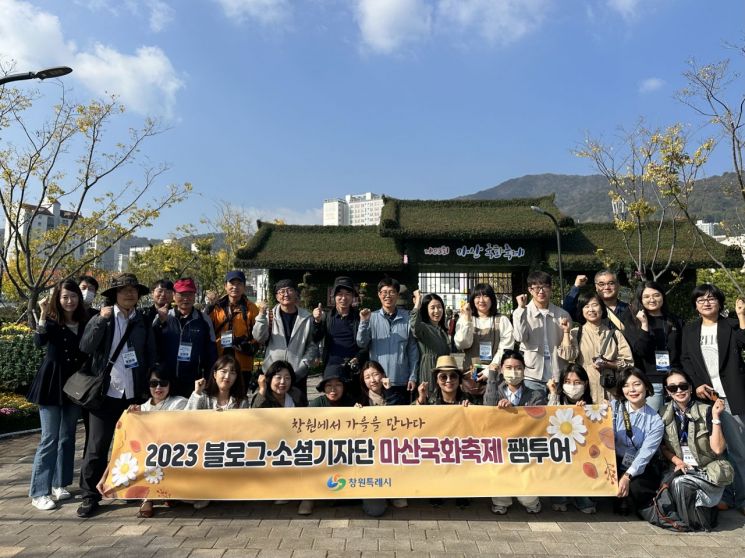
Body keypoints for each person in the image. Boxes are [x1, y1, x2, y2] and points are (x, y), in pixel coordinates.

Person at [76, 273, 156, 518]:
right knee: (97, 447)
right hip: (105, 393)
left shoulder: (142, 320)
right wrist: (100, 321)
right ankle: (89, 496)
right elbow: (85, 347)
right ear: (114, 295)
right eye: (124, 290)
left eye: (133, 290)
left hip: (132, 395)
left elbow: (149, 353)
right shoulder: (104, 317)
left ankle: (127, 488)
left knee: (133, 447)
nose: (130, 293)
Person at [681, 283, 745, 513]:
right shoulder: (690, 330)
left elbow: (743, 342)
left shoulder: (731, 325)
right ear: (695, 306)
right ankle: (725, 496)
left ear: (719, 302)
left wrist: (741, 316)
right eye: (701, 300)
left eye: (711, 298)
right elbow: (685, 359)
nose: (706, 303)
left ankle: (743, 499)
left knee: (738, 451)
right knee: (716, 451)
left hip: (730, 397)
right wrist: (697, 384)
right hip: (706, 398)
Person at [26, 279, 89, 511]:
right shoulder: (51, 321)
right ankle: (39, 491)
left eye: (73, 296)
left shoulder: (85, 321)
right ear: (57, 299)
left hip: (75, 385)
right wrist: (42, 313)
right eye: (64, 297)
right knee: (49, 438)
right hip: (51, 384)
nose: (69, 301)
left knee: (67, 436)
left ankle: (59, 484)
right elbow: (38, 341)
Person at [657, 369, 732, 530]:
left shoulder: (706, 411)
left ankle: (697, 524)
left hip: (707, 471)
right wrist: (678, 461)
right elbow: (663, 447)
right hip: (681, 467)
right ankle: (700, 517)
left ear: (691, 388)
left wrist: (716, 417)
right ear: (667, 392)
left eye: (683, 386)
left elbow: (718, 449)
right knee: (674, 483)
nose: (679, 391)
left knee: (680, 483)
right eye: (673, 388)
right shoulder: (663, 413)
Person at [484, 350, 546, 514]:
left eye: (518, 368)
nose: (513, 372)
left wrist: (515, 412)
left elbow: (538, 420)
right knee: (500, 486)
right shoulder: (495, 390)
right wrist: (492, 375)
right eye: (509, 367)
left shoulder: (535, 394)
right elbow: (487, 409)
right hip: (501, 447)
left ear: (524, 369)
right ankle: (501, 501)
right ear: (502, 370)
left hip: (525, 448)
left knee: (527, 498)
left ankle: (532, 502)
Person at [126, 370, 187, 518]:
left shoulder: (180, 402)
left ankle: (169, 493)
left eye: (163, 383)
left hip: (174, 451)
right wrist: (132, 415)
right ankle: (148, 498)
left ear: (170, 384)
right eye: (154, 384)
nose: (158, 388)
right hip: (150, 454)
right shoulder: (142, 408)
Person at [298, 365, 355, 516]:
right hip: (321, 451)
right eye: (329, 385)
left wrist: (359, 413)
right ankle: (308, 498)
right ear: (323, 387)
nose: (333, 389)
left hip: (345, 452)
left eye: (338, 385)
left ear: (344, 387)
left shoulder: (351, 403)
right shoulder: (316, 404)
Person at [558, 291, 633, 403]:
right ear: (581, 310)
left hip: (610, 392)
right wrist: (566, 332)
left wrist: (608, 364)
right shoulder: (575, 333)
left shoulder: (615, 334)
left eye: (595, 305)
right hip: (585, 394)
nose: (591, 310)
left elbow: (629, 363)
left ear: (602, 309)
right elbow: (568, 356)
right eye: (586, 306)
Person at [622, 281, 683, 413]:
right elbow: (640, 351)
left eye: (656, 295)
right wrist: (644, 325)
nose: (652, 299)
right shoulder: (632, 322)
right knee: (652, 422)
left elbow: (682, 350)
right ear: (640, 299)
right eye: (647, 296)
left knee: (676, 426)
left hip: (674, 382)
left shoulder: (675, 321)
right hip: (650, 382)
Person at [356, 277, 419, 406]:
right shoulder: (371, 317)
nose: (387, 296)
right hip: (378, 382)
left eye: (391, 292)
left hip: (402, 381)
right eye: (384, 292)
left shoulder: (406, 317)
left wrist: (413, 376)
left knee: (400, 419)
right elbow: (361, 343)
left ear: (397, 295)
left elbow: (412, 350)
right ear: (379, 295)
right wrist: (363, 322)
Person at [253, 279, 317, 405]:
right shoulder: (269, 316)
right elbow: (259, 337)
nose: (286, 294)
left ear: (296, 294)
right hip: (273, 374)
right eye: (281, 292)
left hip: (297, 375)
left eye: (289, 290)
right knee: (270, 411)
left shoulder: (306, 317)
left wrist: (304, 364)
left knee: (298, 412)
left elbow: (313, 345)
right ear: (277, 297)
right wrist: (261, 316)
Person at [612, 368, 664, 516]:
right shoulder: (614, 407)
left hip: (639, 466)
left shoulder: (655, 421)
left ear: (646, 386)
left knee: (636, 487)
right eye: (626, 385)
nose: (632, 390)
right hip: (614, 460)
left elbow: (645, 455)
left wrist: (627, 477)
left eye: (636, 384)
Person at [153, 278, 217, 398]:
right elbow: (152, 345)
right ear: (174, 295)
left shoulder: (203, 320)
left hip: (194, 382)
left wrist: (210, 380)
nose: (186, 298)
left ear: (195, 295)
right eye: (182, 294)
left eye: (190, 294)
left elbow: (211, 353)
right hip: (166, 382)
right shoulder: (164, 316)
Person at [547, 364, 597, 514]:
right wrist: (553, 393)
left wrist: (585, 411)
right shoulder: (557, 399)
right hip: (559, 451)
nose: (572, 386)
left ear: (585, 384)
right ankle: (559, 495)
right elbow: (547, 417)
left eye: (577, 383)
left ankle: (581, 495)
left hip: (581, 451)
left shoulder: (590, 404)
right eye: (568, 382)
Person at [512, 271, 572, 396]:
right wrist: (521, 309)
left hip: (557, 373)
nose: (541, 291)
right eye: (537, 287)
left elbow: (568, 346)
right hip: (532, 374)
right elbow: (519, 337)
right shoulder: (523, 312)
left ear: (550, 288)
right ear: (530, 290)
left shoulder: (562, 314)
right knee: (534, 412)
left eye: (545, 286)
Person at [312, 276, 368, 400]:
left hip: (353, 370)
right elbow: (316, 337)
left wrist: (357, 359)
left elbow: (367, 344)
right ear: (334, 296)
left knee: (355, 403)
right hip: (332, 369)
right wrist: (316, 321)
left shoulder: (359, 317)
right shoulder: (327, 317)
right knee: (333, 404)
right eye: (340, 294)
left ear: (353, 296)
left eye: (348, 294)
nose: (343, 298)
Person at [208, 270, 260, 385]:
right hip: (220, 361)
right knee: (220, 396)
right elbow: (207, 331)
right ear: (225, 286)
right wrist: (209, 307)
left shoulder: (251, 308)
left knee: (240, 398)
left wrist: (250, 345)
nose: (235, 287)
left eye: (239, 284)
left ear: (244, 287)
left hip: (242, 362)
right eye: (232, 283)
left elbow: (258, 333)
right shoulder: (216, 307)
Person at [410, 290, 451, 398]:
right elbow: (414, 325)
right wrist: (418, 302)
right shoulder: (423, 328)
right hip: (429, 371)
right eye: (432, 308)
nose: (437, 311)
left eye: (439, 307)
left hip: (443, 373)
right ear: (425, 310)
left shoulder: (442, 331)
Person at [563, 270, 628, 330]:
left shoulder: (629, 310)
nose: (606, 287)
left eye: (611, 283)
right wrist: (576, 286)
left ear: (618, 285)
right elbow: (567, 312)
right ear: (596, 287)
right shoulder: (589, 310)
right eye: (601, 284)